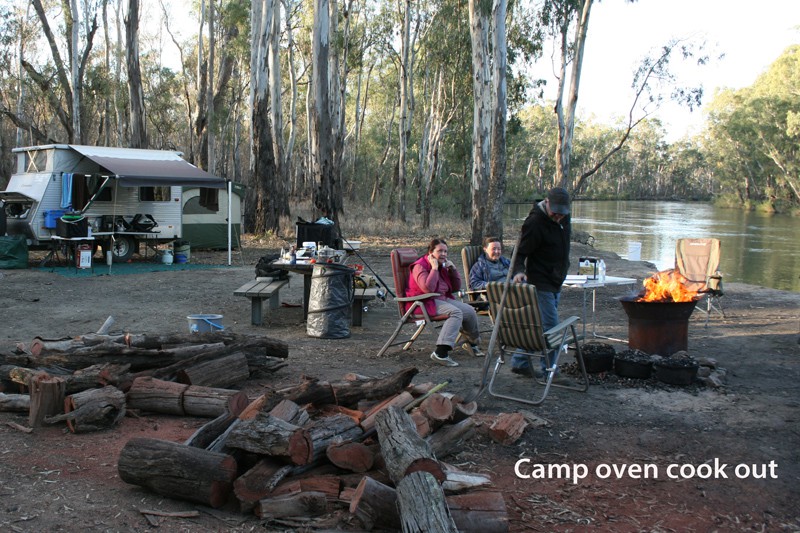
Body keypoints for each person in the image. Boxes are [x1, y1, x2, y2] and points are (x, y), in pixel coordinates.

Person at [510, 187, 572, 379]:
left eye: (562, 214)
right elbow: (519, 252)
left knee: (539, 325)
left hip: (556, 279)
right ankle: (550, 370)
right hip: (540, 281)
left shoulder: (564, 217)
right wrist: (519, 271)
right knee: (552, 328)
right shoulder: (535, 222)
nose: (558, 217)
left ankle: (520, 361)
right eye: (555, 213)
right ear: (547, 202)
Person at [407, 238, 483, 367]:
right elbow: (428, 289)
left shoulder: (442, 265)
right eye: (440, 251)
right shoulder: (419, 266)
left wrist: (453, 270)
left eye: (445, 251)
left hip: (442, 299)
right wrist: (434, 269)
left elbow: (455, 288)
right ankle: (440, 353)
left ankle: (471, 342)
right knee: (455, 312)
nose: (443, 254)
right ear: (430, 252)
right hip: (424, 302)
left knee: (469, 311)